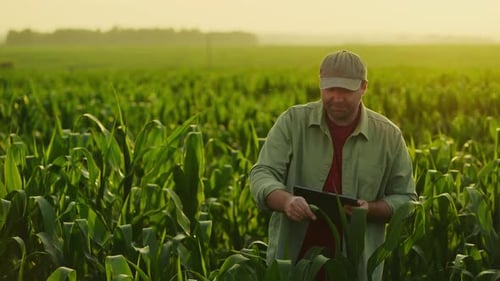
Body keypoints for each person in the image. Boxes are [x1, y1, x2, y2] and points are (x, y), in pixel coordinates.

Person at [249, 49, 417, 281]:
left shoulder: (388, 136)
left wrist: (369, 209)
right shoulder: (292, 122)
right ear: (320, 85)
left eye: (346, 91)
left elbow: (406, 199)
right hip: (294, 265)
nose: (337, 98)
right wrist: (287, 201)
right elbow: (262, 174)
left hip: (356, 268)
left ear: (364, 87)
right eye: (330, 89)